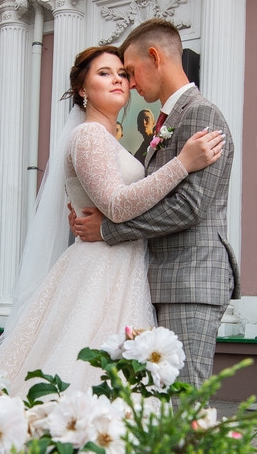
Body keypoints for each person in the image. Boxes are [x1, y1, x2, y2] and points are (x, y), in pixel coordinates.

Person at [0, 43, 224, 390]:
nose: (118, 80)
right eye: (104, 73)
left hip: (121, 264)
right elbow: (115, 205)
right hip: (101, 267)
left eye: (123, 74)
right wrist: (182, 164)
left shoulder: (108, 140)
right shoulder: (88, 135)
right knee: (88, 373)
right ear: (82, 89)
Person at [68, 20, 237, 387]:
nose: (128, 82)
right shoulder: (167, 121)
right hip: (155, 278)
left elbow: (190, 206)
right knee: (154, 399)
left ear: (155, 57)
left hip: (189, 277)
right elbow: (136, 191)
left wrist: (109, 230)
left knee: (182, 398)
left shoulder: (201, 115)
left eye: (129, 71)